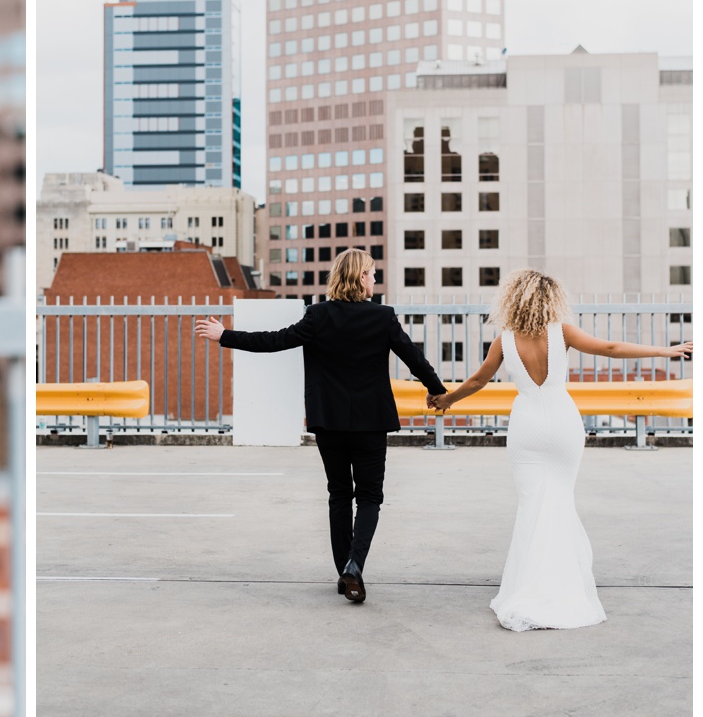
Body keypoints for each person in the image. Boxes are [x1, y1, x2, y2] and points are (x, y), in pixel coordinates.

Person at [429, 270, 690, 631]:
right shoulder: (562, 332)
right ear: (551, 300)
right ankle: (562, 585)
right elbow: (611, 349)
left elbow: (477, 380)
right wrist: (665, 349)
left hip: (527, 429)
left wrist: (446, 401)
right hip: (564, 426)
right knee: (560, 501)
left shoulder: (504, 340)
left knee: (532, 505)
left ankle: (529, 586)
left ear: (513, 300)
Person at [194, 248, 445, 603]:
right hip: (371, 422)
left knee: (340, 494)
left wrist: (226, 336)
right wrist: (437, 392)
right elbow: (415, 359)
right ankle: (355, 565)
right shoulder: (383, 317)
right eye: (372, 274)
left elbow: (273, 341)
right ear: (360, 277)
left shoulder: (318, 316)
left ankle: (345, 570)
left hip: (329, 421)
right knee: (370, 496)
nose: (375, 279)